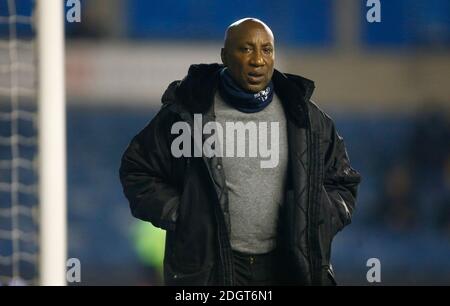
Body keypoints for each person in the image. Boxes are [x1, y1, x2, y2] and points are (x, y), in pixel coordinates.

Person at [119, 18, 361, 286]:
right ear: (224, 55)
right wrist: (186, 214)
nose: (257, 59)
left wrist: (314, 220)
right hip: (212, 268)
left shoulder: (307, 119)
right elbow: (137, 169)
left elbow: (343, 182)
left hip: (287, 268)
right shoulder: (188, 114)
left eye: (266, 50)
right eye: (246, 49)